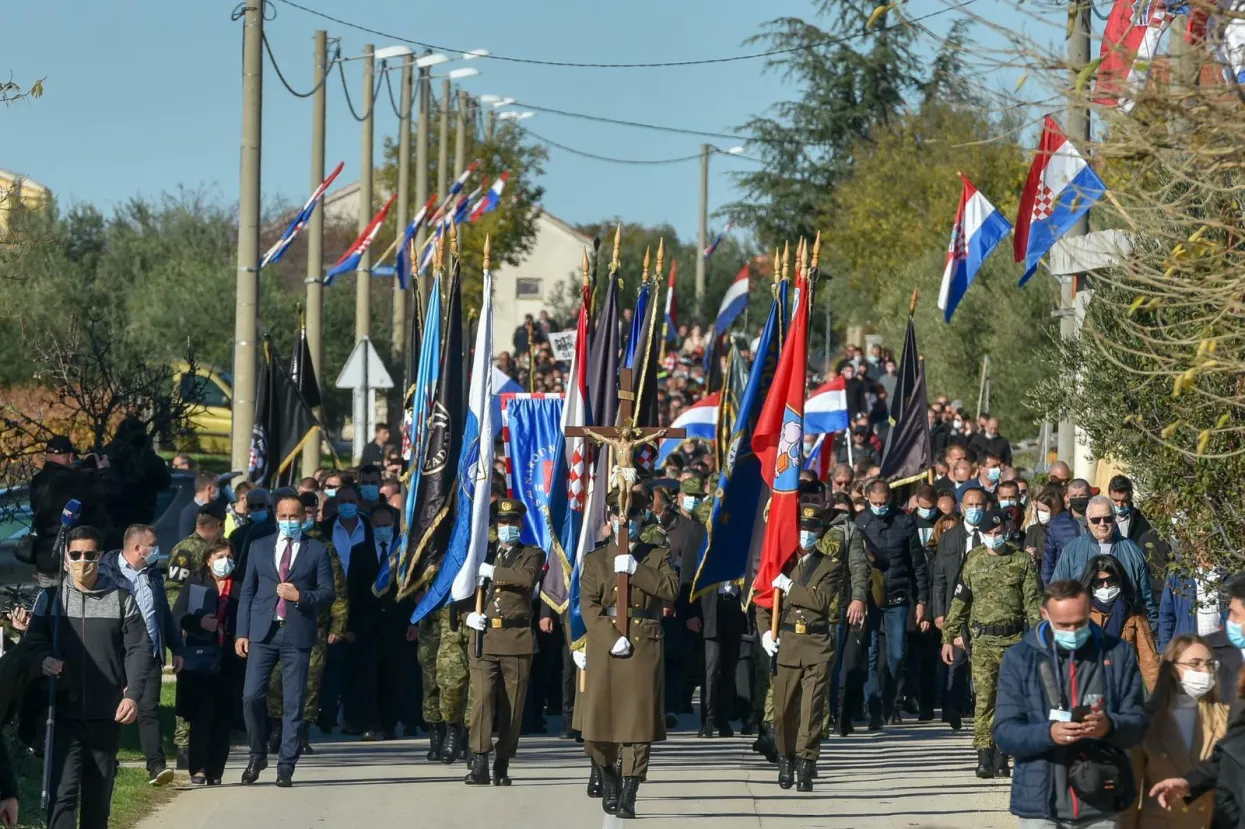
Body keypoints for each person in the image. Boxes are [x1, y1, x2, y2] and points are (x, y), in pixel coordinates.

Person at [25, 526, 153, 829]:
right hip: (61, 715)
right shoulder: (51, 599)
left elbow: (139, 648)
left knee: (97, 800)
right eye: (76, 555)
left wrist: (132, 694)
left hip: (105, 715)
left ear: (100, 556)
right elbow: (32, 643)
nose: (83, 561)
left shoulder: (121, 599)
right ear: (66, 559)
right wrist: (43, 659)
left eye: (90, 555)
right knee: (62, 796)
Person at [994, 580, 1148, 829]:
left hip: (1102, 800)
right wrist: (1048, 733)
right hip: (1041, 804)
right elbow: (1005, 733)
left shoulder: (1117, 654)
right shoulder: (1019, 658)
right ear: (1045, 615)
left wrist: (1109, 726)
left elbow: (1139, 724)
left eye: (1080, 622)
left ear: (1090, 612)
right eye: (1064, 625)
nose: (1073, 631)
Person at [579, 492, 679, 819]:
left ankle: (630, 791)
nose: (626, 520)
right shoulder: (595, 560)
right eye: (619, 514)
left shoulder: (656, 555)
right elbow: (589, 606)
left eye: (633, 514)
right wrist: (609, 638)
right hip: (607, 644)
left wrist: (637, 570)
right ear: (609, 517)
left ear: (642, 517)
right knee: (598, 722)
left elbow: (671, 589)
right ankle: (608, 775)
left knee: (637, 723)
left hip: (643, 643)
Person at [236, 493, 336, 787]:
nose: (289, 522)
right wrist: (242, 632)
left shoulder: (316, 550)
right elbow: (247, 592)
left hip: (297, 633)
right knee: (251, 696)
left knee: (294, 701)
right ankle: (257, 752)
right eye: (284, 516)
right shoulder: (259, 547)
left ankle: (286, 764)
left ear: (303, 519)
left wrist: (301, 596)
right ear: (275, 517)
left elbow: (327, 592)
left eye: (295, 517)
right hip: (263, 632)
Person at [940, 508, 1042, 778]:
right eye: (989, 534)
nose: (994, 538)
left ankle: (1002, 755)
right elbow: (960, 602)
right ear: (982, 535)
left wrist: (1039, 640)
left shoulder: (1021, 562)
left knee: (1010, 701)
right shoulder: (973, 560)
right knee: (984, 699)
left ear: (1005, 532)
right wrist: (948, 637)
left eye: (999, 533)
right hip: (983, 640)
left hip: (1014, 641)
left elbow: (1033, 605)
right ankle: (984, 753)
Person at [757, 505, 843, 792]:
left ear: (820, 532)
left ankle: (806, 763)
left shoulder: (830, 565)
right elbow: (763, 603)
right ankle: (785, 758)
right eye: (802, 529)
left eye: (812, 529)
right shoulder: (779, 562)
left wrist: (789, 586)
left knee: (811, 710)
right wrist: (764, 635)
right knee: (782, 712)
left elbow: (820, 602)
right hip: (787, 644)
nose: (806, 534)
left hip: (817, 644)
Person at [462, 499, 544, 786]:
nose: (506, 527)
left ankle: (503, 761)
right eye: (501, 522)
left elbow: (526, 578)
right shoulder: (481, 553)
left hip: (516, 640)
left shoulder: (532, 554)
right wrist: (466, 616)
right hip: (484, 639)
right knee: (481, 702)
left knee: (512, 708)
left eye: (511, 522)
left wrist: (492, 572)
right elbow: (459, 589)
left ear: (521, 524)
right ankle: (480, 760)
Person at [100, 524, 185, 786]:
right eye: (153, 545)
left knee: (148, 709)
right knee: (111, 709)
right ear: (138, 548)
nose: (157, 550)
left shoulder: (153, 576)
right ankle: (107, 761)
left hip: (149, 652)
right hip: (117, 652)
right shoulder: (107, 573)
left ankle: (156, 766)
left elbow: (164, 616)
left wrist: (176, 648)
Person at [1120, 634, 1227, 829]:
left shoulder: (1225, 718)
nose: (1205, 671)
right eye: (1195, 664)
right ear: (1172, 669)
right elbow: (1131, 793)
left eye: (1210, 664)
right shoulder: (1146, 721)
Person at [857, 480, 929, 729]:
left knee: (897, 655)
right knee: (872, 654)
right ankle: (874, 707)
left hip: (898, 598)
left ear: (890, 499)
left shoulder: (905, 522)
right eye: (874, 503)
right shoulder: (860, 524)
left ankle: (891, 702)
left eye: (883, 502)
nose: (879, 507)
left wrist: (921, 601)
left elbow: (918, 565)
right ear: (868, 499)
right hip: (870, 600)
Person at [172, 538, 241, 785]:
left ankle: (215, 770)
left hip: (230, 658)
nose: (226, 561)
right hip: (200, 657)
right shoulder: (196, 581)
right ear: (209, 559)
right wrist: (199, 622)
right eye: (220, 556)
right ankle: (198, 767)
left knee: (223, 716)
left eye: (229, 556)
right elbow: (178, 616)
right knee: (201, 715)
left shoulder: (240, 584)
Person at [933, 486, 990, 732]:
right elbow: (940, 578)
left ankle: (980, 709)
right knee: (956, 659)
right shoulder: (950, 536)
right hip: (956, 606)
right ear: (962, 507)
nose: (975, 510)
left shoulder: (992, 534)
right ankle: (953, 706)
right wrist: (939, 612)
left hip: (985, 607)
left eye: (979, 505)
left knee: (981, 661)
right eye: (970, 505)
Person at [1052, 495, 1158, 628]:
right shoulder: (1072, 550)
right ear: (1087, 521)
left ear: (1114, 519)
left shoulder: (1132, 551)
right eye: (1096, 520)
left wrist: (1152, 631)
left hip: (1126, 629)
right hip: (1083, 628)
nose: (1102, 524)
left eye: (1107, 519)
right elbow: (1057, 592)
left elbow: (1146, 598)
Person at [344, 504, 401, 741]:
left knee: (392, 676)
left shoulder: (403, 552)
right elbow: (352, 591)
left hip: (395, 625)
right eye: (377, 526)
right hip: (367, 626)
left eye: (386, 525)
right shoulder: (360, 551)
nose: (382, 529)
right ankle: (369, 722)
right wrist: (348, 626)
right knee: (367, 677)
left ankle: (389, 724)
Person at [28, 436, 116, 586]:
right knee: (71, 604)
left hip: (45, 556)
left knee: (48, 602)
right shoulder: (76, 481)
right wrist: (104, 470)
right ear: (70, 457)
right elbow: (107, 492)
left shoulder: (37, 481)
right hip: (71, 556)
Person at [1082, 554, 1160, 692]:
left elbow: (1149, 660)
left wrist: (1159, 699)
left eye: (1111, 580)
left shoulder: (1133, 613)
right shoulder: (1080, 612)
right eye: (1099, 582)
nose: (1105, 587)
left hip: (1122, 688)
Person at [100, 417, 171, 550]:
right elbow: (164, 482)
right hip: (136, 518)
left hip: (113, 519)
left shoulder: (111, 455)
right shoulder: (149, 459)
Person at [1042, 478, 1090, 585]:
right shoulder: (1056, 523)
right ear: (1067, 497)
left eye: (1082, 495)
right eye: (1074, 496)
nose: (1078, 499)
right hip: (1067, 585)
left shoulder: (1100, 520)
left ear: (1089, 495)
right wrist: (1049, 589)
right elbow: (1049, 560)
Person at [1026, 488, 1063, 574]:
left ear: (1055, 510)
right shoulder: (1033, 530)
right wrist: (1028, 555)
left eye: (1045, 510)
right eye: (1039, 509)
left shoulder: (1064, 529)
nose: (1040, 513)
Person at [179, 472, 220, 541]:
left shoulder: (216, 509)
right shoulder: (189, 512)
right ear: (209, 488)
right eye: (216, 486)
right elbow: (184, 543)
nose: (218, 489)